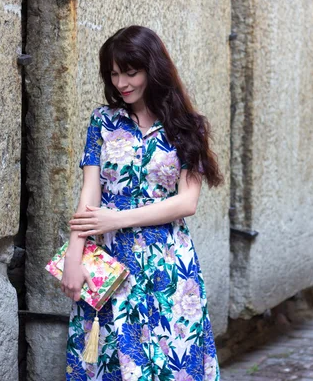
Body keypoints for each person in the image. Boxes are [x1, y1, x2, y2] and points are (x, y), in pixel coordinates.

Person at [60, 25, 223, 381]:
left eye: (130, 72)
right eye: (114, 74)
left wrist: (116, 219)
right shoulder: (102, 121)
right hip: (109, 261)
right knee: (109, 358)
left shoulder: (186, 127)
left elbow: (187, 203)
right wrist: (74, 257)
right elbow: (89, 195)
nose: (121, 83)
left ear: (153, 68)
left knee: (171, 359)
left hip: (168, 264)